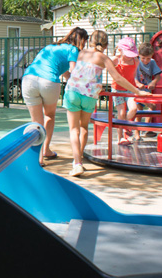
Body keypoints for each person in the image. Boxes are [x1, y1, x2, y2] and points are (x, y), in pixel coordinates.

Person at [63, 30, 150, 177]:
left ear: (90, 41)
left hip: (73, 92)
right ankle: (80, 162)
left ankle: (77, 162)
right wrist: (138, 91)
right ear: (106, 44)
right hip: (89, 95)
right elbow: (119, 79)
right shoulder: (104, 58)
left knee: (74, 129)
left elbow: (68, 70)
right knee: (84, 127)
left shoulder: (79, 53)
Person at [21, 27, 88, 162]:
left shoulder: (52, 47)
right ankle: (45, 150)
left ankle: (38, 158)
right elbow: (73, 70)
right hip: (48, 81)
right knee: (49, 116)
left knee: (36, 122)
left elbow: (65, 73)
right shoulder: (73, 49)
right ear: (81, 40)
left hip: (28, 79)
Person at [127, 41, 162, 134]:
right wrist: (137, 83)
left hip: (146, 90)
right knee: (139, 111)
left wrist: (153, 82)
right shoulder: (135, 61)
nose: (145, 61)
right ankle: (137, 133)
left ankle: (146, 129)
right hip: (136, 90)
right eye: (143, 58)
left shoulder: (152, 62)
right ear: (139, 55)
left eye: (148, 58)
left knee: (152, 106)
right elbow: (131, 75)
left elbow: (158, 75)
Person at [111, 37, 139, 145]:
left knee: (133, 108)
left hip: (130, 88)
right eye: (128, 53)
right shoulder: (115, 60)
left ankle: (125, 125)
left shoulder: (135, 61)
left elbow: (133, 74)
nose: (129, 56)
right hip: (117, 89)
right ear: (120, 50)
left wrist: (136, 85)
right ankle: (120, 137)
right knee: (121, 112)